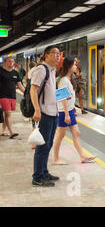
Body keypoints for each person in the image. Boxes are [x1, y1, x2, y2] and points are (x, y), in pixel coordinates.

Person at [53, 57, 95, 165]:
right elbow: (62, 98)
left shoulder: (69, 79)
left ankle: (82, 156)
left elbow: (69, 97)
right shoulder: (63, 80)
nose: (76, 67)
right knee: (60, 136)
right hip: (64, 112)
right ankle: (55, 158)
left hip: (70, 111)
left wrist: (72, 109)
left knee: (76, 132)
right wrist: (66, 114)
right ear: (69, 66)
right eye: (74, 65)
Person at [30, 45, 61, 187]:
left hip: (53, 113)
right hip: (44, 114)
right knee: (42, 146)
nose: (57, 56)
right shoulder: (41, 69)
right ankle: (37, 177)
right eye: (54, 53)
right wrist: (37, 110)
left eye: (58, 54)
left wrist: (65, 96)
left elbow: (50, 92)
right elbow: (33, 89)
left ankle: (44, 172)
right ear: (46, 55)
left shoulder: (52, 71)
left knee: (48, 145)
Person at [0, 57, 25, 139]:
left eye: (12, 62)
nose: (11, 63)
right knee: (8, 113)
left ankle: (2, 131)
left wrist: (26, 93)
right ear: (5, 62)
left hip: (12, 96)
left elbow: (19, 84)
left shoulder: (15, 73)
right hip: (3, 96)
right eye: (9, 61)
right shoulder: (1, 71)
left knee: (6, 114)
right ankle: (11, 132)